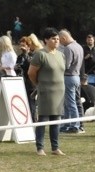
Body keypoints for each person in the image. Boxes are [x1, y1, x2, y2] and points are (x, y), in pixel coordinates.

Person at [28, 27, 66, 156]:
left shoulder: (61, 55)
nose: (56, 41)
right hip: (45, 90)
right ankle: (40, 147)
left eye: (57, 39)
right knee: (43, 119)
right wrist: (39, 84)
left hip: (59, 91)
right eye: (53, 39)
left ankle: (55, 147)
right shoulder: (40, 54)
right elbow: (31, 73)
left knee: (56, 120)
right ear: (46, 40)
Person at [58, 29, 84, 133]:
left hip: (69, 76)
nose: (60, 43)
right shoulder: (79, 46)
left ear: (64, 38)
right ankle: (67, 124)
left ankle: (75, 125)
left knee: (70, 102)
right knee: (70, 102)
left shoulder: (68, 48)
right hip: (76, 76)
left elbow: (66, 65)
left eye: (60, 41)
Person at [15, 36, 38, 120]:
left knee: (31, 102)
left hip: (31, 83)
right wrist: (17, 67)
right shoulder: (20, 56)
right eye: (21, 45)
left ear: (29, 46)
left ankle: (33, 119)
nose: (22, 48)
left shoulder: (34, 55)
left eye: (24, 45)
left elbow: (31, 65)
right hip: (22, 82)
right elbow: (18, 67)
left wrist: (26, 54)